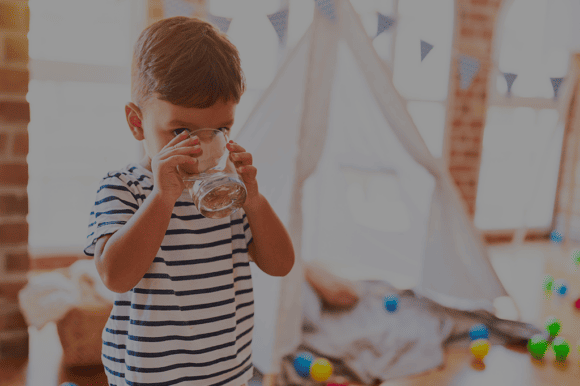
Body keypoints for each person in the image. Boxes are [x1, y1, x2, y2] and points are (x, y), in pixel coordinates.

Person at [83, 16, 295, 386]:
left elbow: (280, 264)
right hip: (151, 377)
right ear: (137, 123)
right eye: (180, 132)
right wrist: (162, 198)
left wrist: (255, 202)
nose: (200, 149)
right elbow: (115, 276)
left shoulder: (228, 195)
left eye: (220, 130)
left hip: (226, 374)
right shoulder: (123, 187)